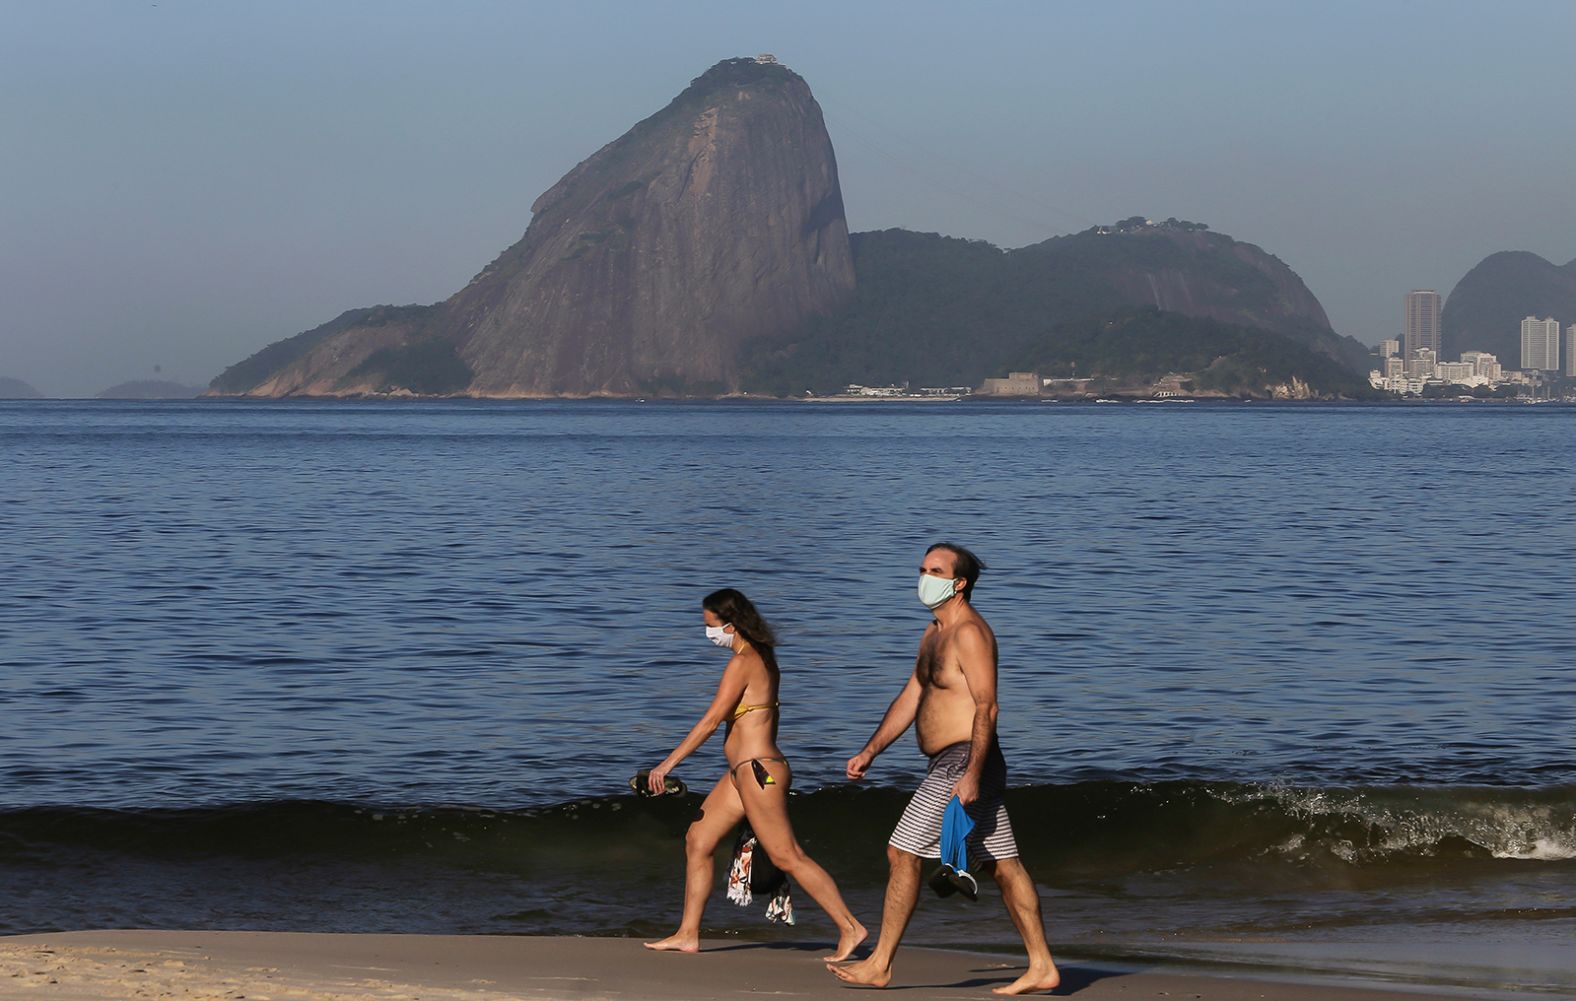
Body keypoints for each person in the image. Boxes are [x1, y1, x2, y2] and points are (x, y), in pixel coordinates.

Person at [828, 543, 1060, 995]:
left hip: (965, 760)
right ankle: (1042, 966)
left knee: (902, 852)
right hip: (948, 760)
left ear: (960, 583)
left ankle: (880, 963)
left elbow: (987, 707)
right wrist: (870, 750)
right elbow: (913, 695)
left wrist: (971, 774)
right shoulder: (933, 632)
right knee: (1002, 866)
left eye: (935, 570)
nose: (924, 577)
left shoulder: (970, 633)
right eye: (922, 568)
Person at [643, 588, 867, 961]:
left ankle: (850, 927)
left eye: (711, 626)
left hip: (759, 772)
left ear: (731, 625)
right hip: (741, 773)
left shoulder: (744, 662)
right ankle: (687, 933)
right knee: (698, 839)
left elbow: (713, 721)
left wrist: (667, 765)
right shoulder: (761, 656)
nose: (709, 634)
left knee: (786, 855)